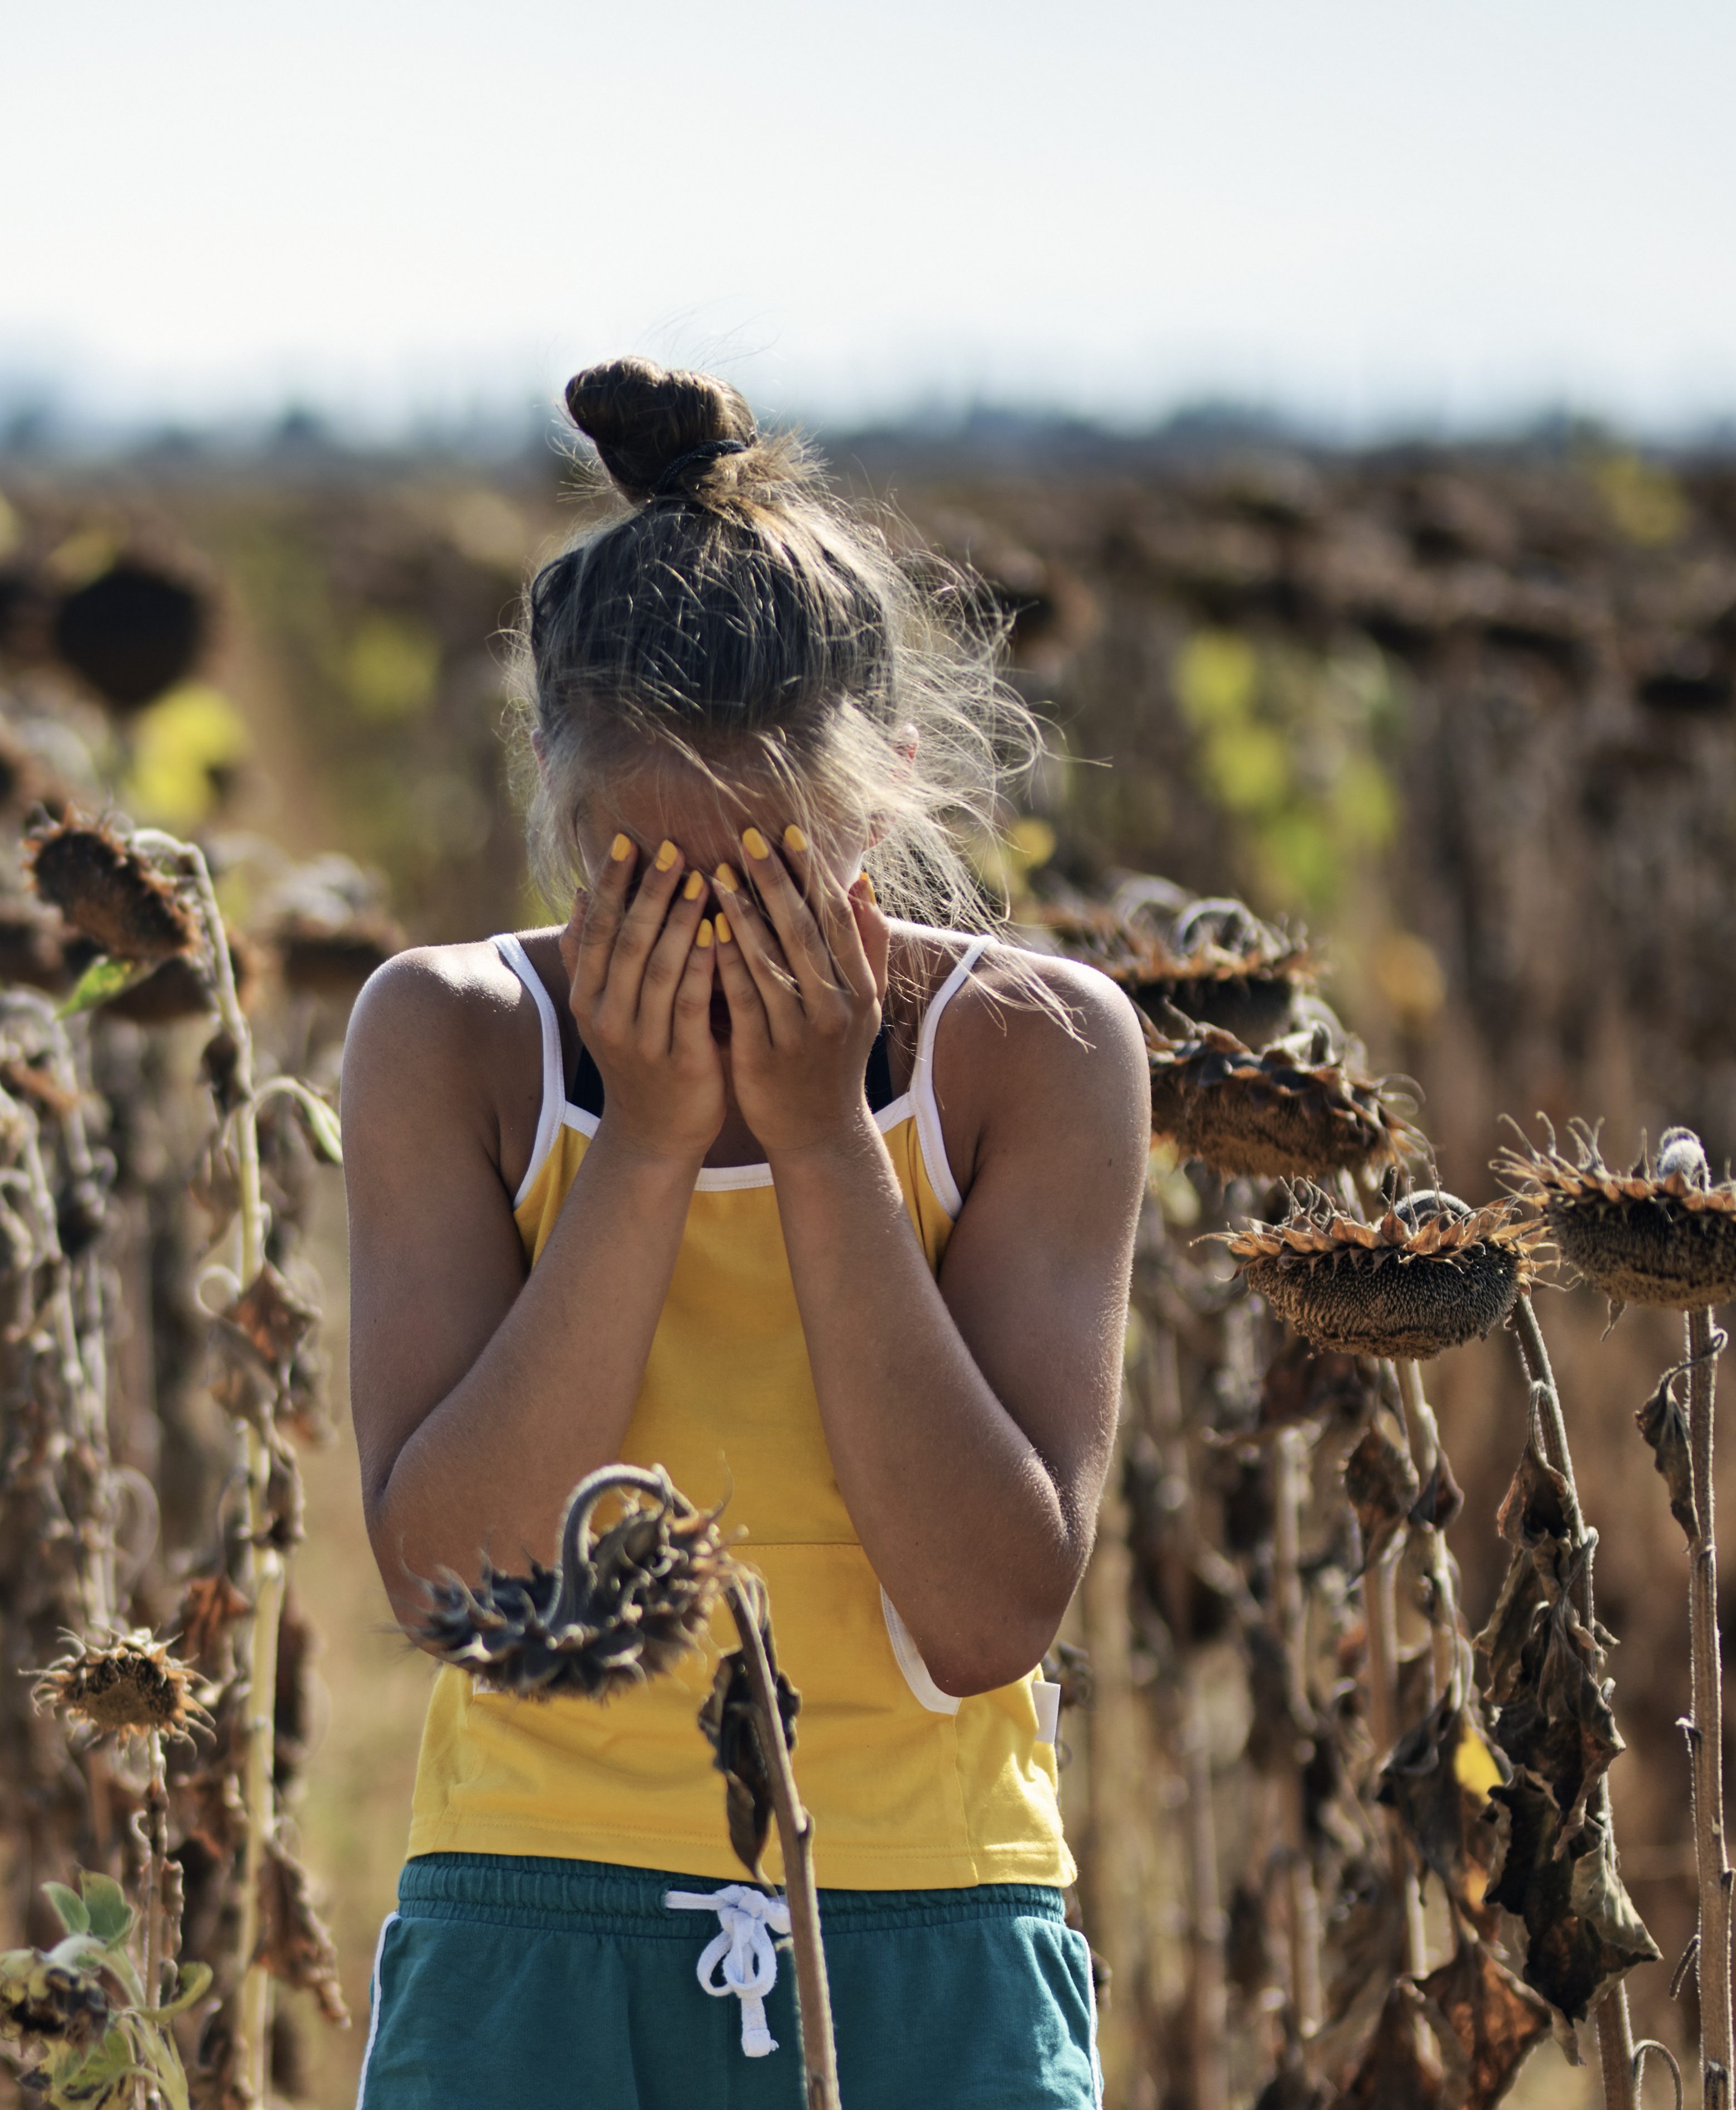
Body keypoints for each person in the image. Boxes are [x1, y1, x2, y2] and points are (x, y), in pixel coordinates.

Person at [342, 358, 1146, 2106]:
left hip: (926, 1926)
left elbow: (987, 1607)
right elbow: (456, 1584)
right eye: (649, 886)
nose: (714, 947)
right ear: (556, 821)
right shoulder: (453, 1037)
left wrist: (817, 1143)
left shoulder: (1037, 1054)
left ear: (894, 806)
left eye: (773, 882)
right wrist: (641, 1153)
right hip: (534, 1918)